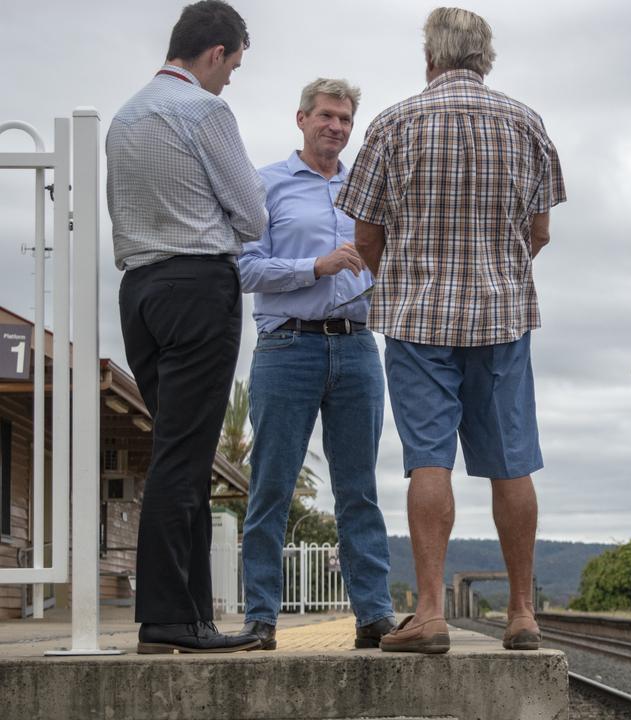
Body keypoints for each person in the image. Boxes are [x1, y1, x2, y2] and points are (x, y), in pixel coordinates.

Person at [335, 7, 566, 653]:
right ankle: (523, 615)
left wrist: (408, 279)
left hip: (418, 322)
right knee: (512, 462)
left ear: (430, 58)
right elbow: (540, 230)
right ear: (484, 58)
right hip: (503, 319)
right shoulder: (527, 123)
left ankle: (431, 614)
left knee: (429, 460)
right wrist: (495, 273)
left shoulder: (392, 123)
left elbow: (366, 233)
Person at [106, 0, 265, 653]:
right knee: (184, 454)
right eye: (234, 65)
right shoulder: (206, 110)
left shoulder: (124, 118)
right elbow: (253, 217)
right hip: (197, 285)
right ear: (215, 53)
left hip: (139, 288)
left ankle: (194, 615)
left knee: (183, 450)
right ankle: (169, 617)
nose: (231, 78)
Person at [237, 78, 396, 651]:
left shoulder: (368, 190)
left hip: (356, 348)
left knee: (359, 490)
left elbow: (387, 264)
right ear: (301, 119)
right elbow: (244, 270)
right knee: (272, 486)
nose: (336, 127)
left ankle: (374, 615)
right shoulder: (266, 185)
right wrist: (316, 267)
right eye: (326, 116)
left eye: (345, 120)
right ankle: (260, 619)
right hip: (287, 348)